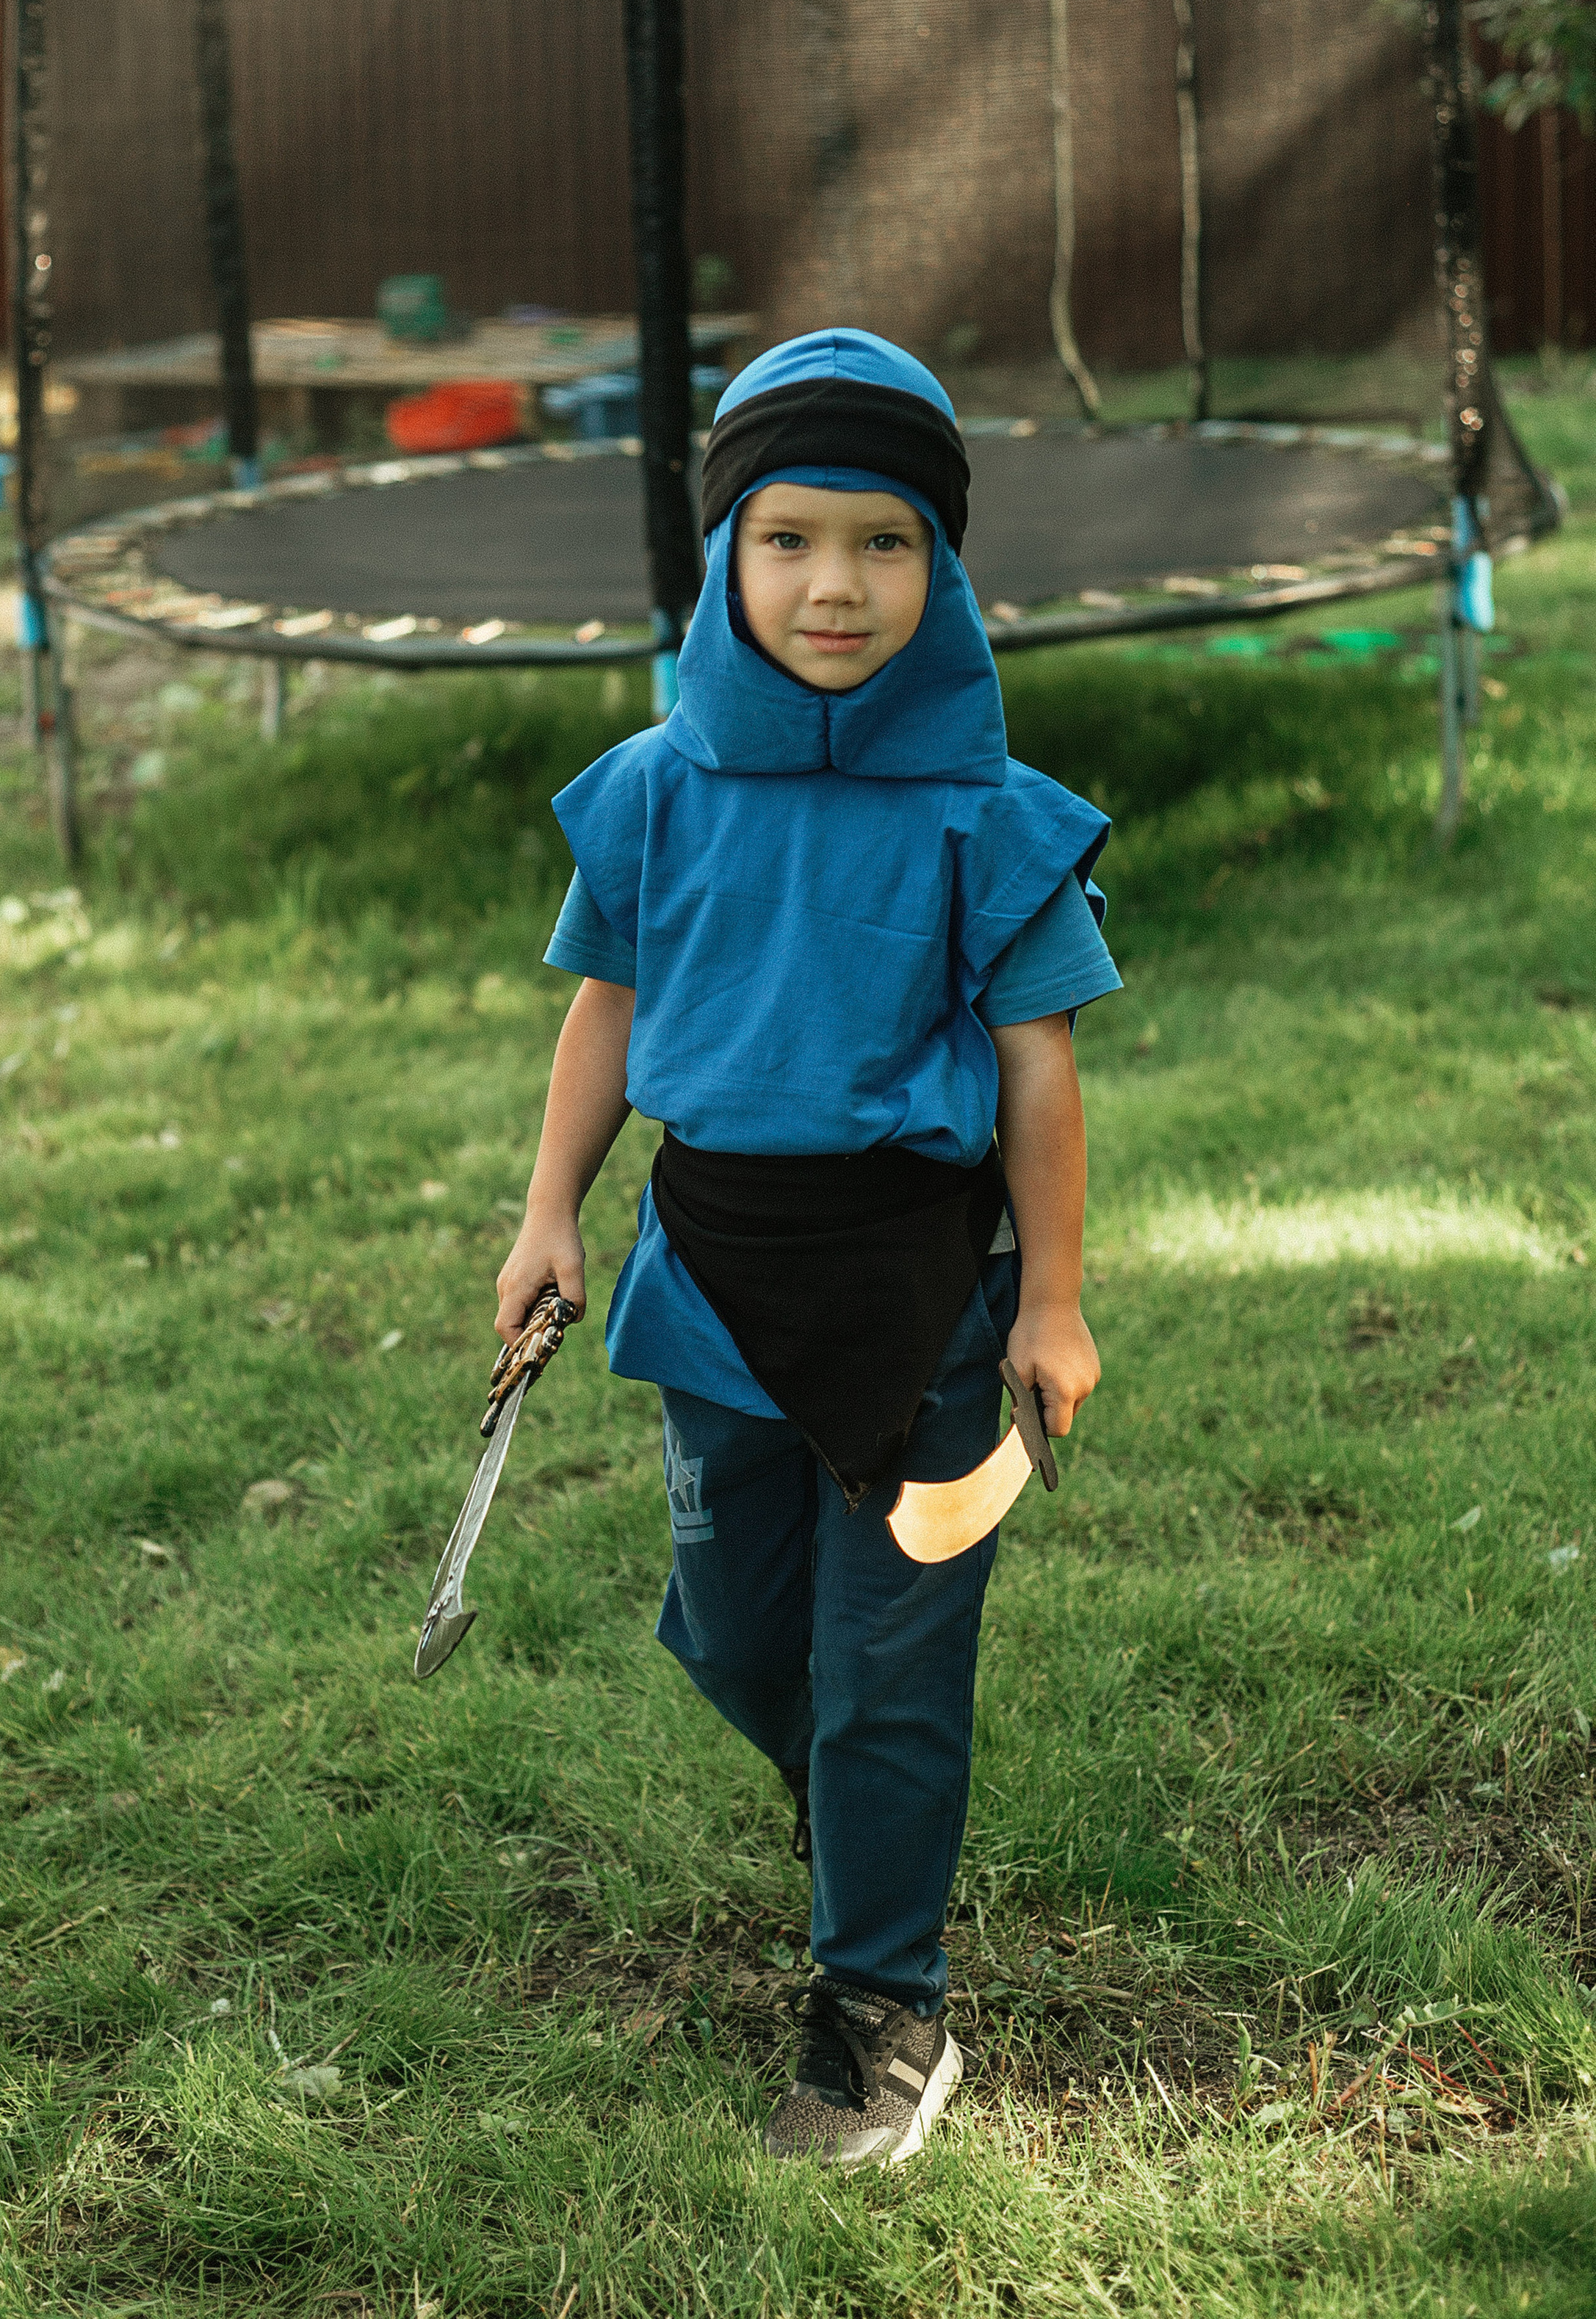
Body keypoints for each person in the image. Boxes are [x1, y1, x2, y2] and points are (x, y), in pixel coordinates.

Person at [496, 329, 1121, 2169]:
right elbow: (608, 1010)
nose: (832, 584)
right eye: (787, 538)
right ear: (721, 557)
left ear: (942, 568)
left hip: (923, 1298)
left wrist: (1059, 1298)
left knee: (891, 1667)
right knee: (741, 1637)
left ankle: (880, 2001)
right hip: (713, 1285)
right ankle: (858, 1798)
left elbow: (1039, 1071)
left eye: (881, 542)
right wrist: (549, 1213)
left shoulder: (990, 821)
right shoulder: (652, 788)